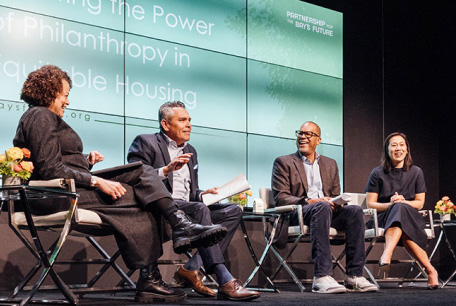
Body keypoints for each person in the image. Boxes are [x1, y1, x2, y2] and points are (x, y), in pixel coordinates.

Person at [13, 65, 228, 304]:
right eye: (65, 95)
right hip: (54, 197)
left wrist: (85, 162)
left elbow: (53, 161)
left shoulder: (41, 117)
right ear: (50, 92)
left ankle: (173, 234)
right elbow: (50, 169)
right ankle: (153, 273)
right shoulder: (40, 116)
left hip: (69, 190)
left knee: (141, 171)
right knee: (143, 195)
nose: (68, 101)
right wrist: (96, 180)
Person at [127, 101, 260, 301]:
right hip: (161, 211)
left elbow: (190, 192)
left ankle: (191, 267)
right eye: (182, 120)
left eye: (189, 120)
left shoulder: (191, 150)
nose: (188, 124)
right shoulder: (146, 142)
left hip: (189, 208)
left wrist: (202, 194)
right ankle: (224, 280)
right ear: (165, 124)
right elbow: (134, 177)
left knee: (233, 211)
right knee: (199, 210)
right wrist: (166, 170)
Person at [271, 121, 378, 293]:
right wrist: (310, 201)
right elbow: (281, 198)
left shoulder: (330, 164)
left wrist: (336, 203)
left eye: (308, 134)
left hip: (325, 211)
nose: (303, 137)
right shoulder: (284, 162)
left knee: (355, 211)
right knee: (321, 207)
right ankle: (321, 276)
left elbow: (335, 194)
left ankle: (354, 276)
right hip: (297, 212)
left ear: (318, 140)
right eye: (300, 133)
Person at [365, 132, 439, 289]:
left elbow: (419, 203)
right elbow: (370, 204)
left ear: (407, 149)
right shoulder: (377, 173)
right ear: (387, 150)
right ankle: (431, 270)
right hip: (383, 217)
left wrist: (403, 202)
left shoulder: (416, 172)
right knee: (400, 213)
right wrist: (391, 204)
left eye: (401, 145)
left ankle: (387, 253)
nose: (398, 148)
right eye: (394, 145)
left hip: (411, 215)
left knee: (401, 211)